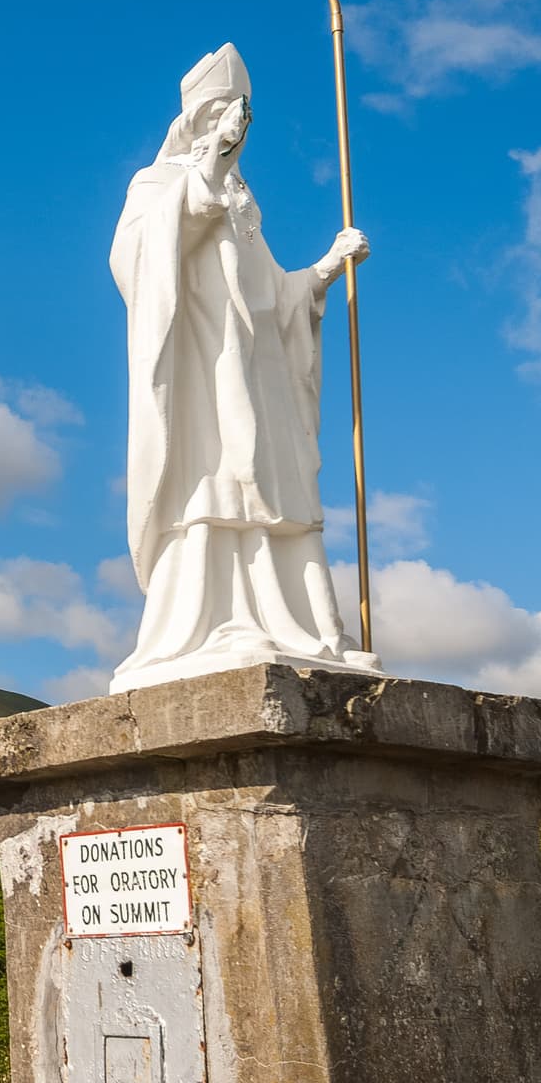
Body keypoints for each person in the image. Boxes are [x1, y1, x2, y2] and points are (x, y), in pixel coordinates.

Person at [108, 42, 382, 693]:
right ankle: (215, 625)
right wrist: (209, 168)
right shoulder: (157, 186)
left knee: (277, 484)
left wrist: (323, 269)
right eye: (227, 113)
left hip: (258, 376)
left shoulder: (241, 202)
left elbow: (271, 299)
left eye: (244, 117)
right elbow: (141, 262)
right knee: (220, 478)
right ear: (201, 119)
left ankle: (315, 632)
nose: (239, 126)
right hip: (205, 375)